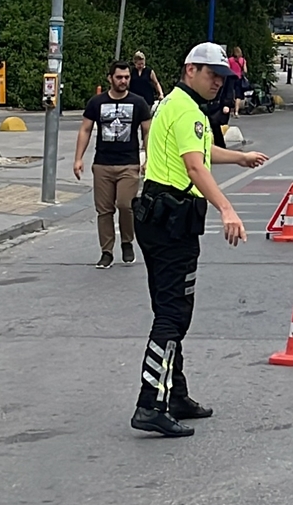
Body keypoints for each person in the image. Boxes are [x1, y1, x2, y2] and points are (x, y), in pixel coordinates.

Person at [130, 42, 269, 437]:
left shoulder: (172, 104)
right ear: (190, 69)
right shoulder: (189, 110)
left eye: (223, 78)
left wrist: (239, 158)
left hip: (156, 217)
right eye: (212, 75)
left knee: (168, 309)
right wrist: (226, 207)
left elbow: (200, 151)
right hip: (173, 222)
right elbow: (194, 166)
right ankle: (149, 402)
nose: (218, 84)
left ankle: (174, 393)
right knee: (174, 314)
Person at [73, 61, 153, 268]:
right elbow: (85, 130)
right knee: (104, 210)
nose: (123, 81)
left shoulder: (139, 103)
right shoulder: (96, 102)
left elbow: (147, 131)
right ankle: (106, 251)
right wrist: (78, 158)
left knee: (125, 205)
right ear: (110, 78)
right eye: (119, 77)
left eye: (126, 77)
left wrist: (149, 158)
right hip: (103, 164)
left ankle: (127, 242)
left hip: (129, 163)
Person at [228, 47, 247, 118]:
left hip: (231, 78)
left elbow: (228, 69)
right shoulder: (243, 60)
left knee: (230, 94)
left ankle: (230, 110)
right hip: (239, 79)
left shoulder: (230, 60)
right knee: (238, 96)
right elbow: (245, 71)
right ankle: (236, 112)